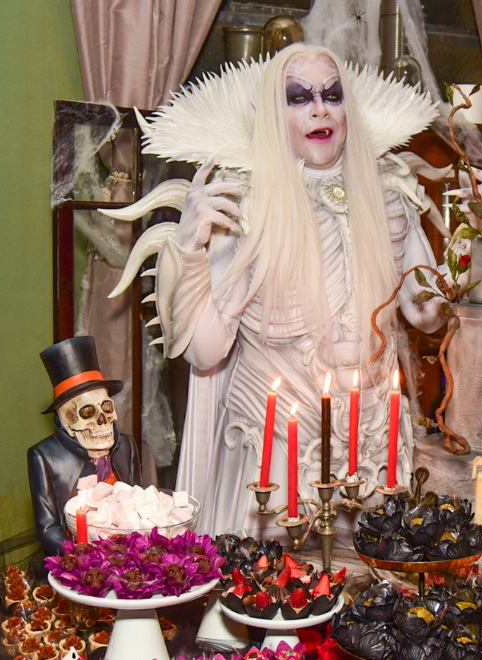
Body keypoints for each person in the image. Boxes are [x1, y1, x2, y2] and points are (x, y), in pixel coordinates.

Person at [108, 44, 445, 537]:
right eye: (299, 97)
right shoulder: (247, 204)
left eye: (332, 94)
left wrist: (469, 260)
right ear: (272, 112)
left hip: (373, 448)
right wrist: (189, 246)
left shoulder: (391, 196)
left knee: (373, 581)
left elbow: (428, 314)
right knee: (270, 581)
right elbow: (206, 351)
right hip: (275, 455)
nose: (319, 109)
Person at [28, 336, 141, 554]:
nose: (103, 421)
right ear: (66, 421)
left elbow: (139, 504)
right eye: (87, 412)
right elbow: (48, 529)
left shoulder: (127, 446)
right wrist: (81, 558)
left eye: (106, 408)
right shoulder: (44, 456)